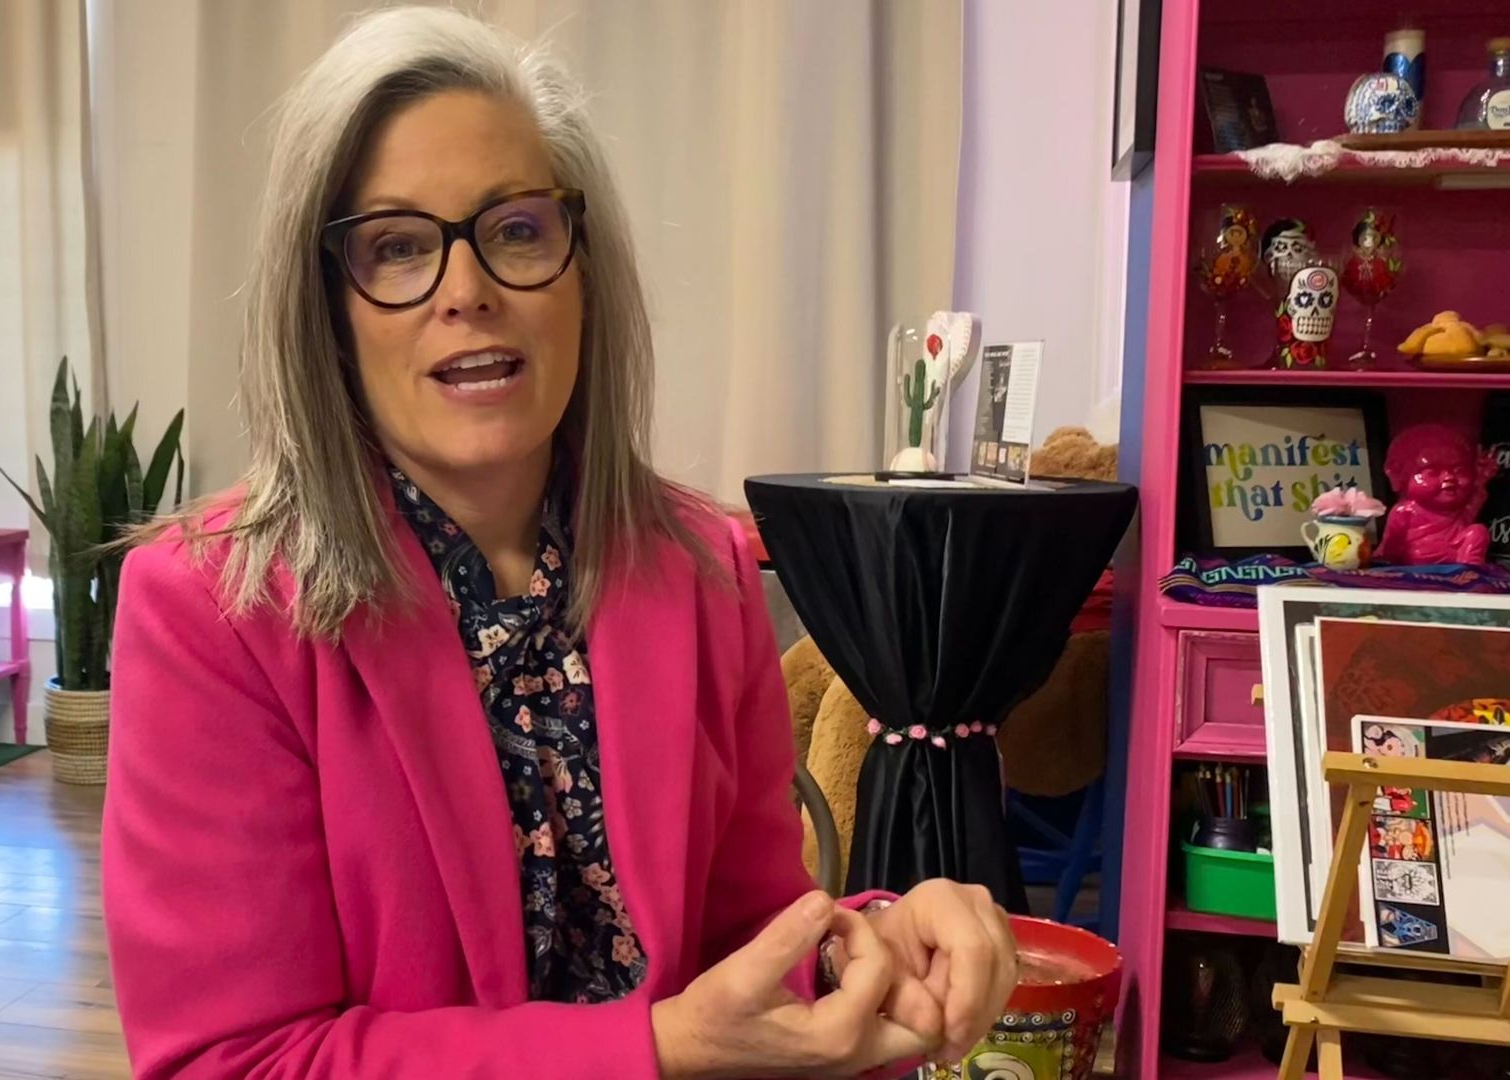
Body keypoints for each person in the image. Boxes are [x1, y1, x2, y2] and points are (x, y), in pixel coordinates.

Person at [101, 8, 1017, 1079]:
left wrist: (878, 949)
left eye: (518, 229)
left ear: (584, 271)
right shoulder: (211, 608)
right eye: (397, 248)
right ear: (328, 313)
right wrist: (657, 1048)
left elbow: (751, 956)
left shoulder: (699, 568)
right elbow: (236, 1062)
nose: (468, 290)